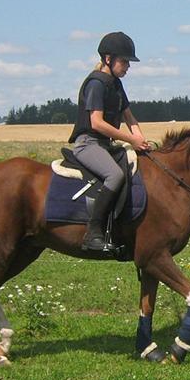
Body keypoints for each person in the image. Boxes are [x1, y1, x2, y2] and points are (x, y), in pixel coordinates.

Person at [69, 31, 151, 252]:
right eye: (124, 61)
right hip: (88, 143)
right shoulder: (96, 83)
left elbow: (130, 118)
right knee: (115, 175)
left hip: (105, 145)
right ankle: (93, 233)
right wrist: (131, 139)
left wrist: (141, 140)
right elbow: (96, 123)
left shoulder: (116, 84)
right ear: (108, 59)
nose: (128, 66)